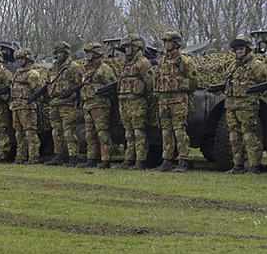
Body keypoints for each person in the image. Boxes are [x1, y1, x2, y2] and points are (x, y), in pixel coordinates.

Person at [222, 35, 267, 174]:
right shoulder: (233, 66)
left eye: (241, 48)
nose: (239, 51)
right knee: (234, 137)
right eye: (237, 49)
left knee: (249, 136)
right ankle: (238, 165)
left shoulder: (256, 65)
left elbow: (266, 85)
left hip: (247, 106)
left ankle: (254, 165)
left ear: (248, 49)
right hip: (231, 105)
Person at [152, 31, 197, 172]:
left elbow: (194, 83)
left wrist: (177, 83)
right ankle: (167, 160)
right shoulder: (162, 61)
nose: (166, 44)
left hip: (178, 101)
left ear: (176, 44)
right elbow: (156, 79)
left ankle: (184, 160)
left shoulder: (185, 61)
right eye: (165, 42)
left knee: (179, 131)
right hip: (164, 101)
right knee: (166, 132)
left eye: (169, 42)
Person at [116, 35, 153, 170]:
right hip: (125, 102)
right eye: (125, 47)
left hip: (137, 102)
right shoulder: (126, 64)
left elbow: (149, 83)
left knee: (138, 133)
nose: (126, 49)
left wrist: (141, 95)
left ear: (136, 47)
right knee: (128, 133)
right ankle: (129, 159)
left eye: (129, 46)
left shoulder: (143, 63)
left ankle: (140, 160)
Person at [44, 42, 83, 166]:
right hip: (54, 103)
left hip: (67, 104)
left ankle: (73, 157)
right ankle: (58, 155)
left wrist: (75, 100)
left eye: (61, 52)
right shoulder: (52, 68)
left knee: (69, 131)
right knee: (56, 131)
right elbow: (47, 84)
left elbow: (80, 86)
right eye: (57, 52)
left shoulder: (74, 67)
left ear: (66, 53)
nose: (59, 55)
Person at [78, 42, 117, 168]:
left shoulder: (105, 69)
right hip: (88, 104)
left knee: (102, 133)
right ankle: (91, 159)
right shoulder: (87, 70)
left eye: (89, 52)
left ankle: (106, 159)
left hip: (100, 105)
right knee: (89, 134)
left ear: (96, 53)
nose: (87, 55)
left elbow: (112, 87)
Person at [9, 49, 44, 164]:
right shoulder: (18, 73)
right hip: (16, 107)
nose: (19, 61)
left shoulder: (32, 74)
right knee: (19, 134)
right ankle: (20, 157)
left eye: (21, 59)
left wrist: (33, 104)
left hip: (28, 108)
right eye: (18, 59)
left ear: (27, 59)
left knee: (30, 133)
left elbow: (38, 92)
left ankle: (33, 157)